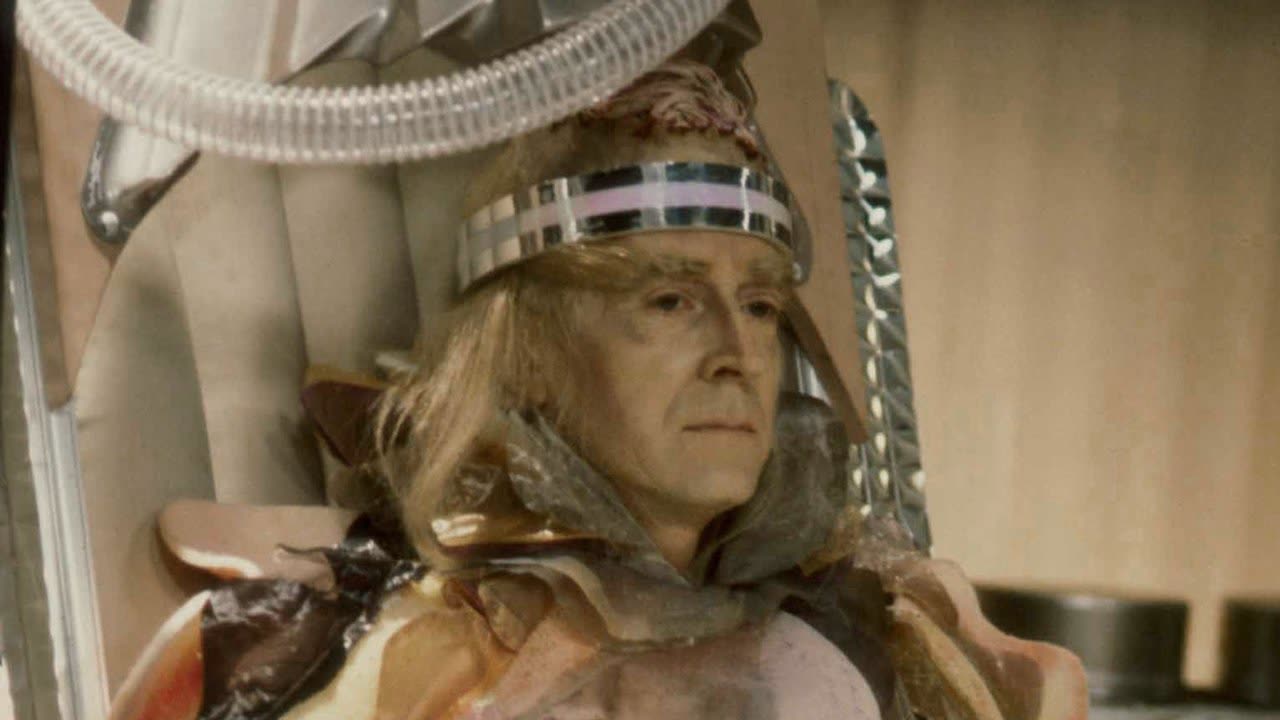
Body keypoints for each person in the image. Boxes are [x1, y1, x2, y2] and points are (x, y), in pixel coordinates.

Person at [109, 61, 1087, 720]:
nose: (736, 355)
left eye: (756, 306)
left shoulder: (889, 639)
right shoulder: (392, 661)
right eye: (667, 300)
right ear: (529, 352)